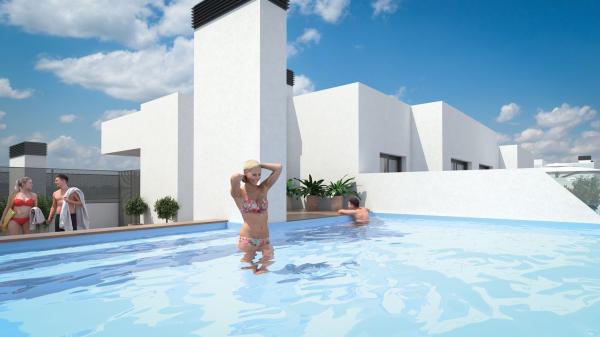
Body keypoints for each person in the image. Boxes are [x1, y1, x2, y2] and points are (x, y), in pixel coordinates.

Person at [230, 160, 282, 274]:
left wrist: (260, 165)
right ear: (246, 174)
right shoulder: (238, 193)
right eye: (254, 174)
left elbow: (278, 168)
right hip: (249, 240)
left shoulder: (263, 188)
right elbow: (234, 178)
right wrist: (242, 176)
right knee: (249, 272)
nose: (257, 178)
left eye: (259, 174)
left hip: (265, 239)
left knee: (268, 261)